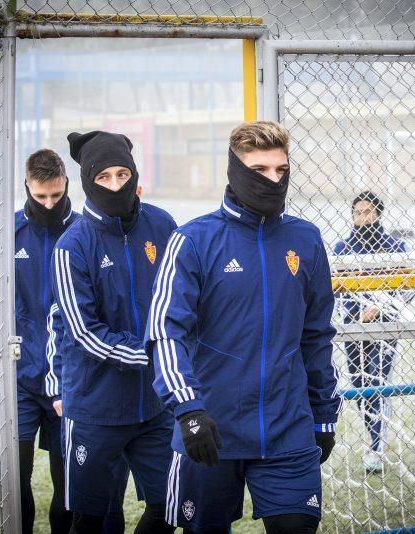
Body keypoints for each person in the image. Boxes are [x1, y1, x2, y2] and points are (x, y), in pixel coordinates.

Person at [146, 121, 340, 533]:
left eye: (280, 170)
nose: (273, 179)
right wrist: (189, 410)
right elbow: (166, 333)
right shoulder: (193, 240)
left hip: (288, 430)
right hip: (212, 432)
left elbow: (317, 335)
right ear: (235, 170)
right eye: (259, 170)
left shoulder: (305, 240)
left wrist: (323, 414)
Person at [0, 148, 128, 533]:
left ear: (67, 185)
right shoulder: (5, 236)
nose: (50, 203)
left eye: (56, 195)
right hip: (18, 377)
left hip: (71, 378)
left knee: (70, 485)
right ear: (27, 187)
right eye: (41, 197)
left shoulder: (85, 232)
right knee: (15, 480)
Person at [51, 130, 177, 534]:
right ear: (88, 181)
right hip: (96, 410)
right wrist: (154, 354)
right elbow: (86, 334)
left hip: (155, 406)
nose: (115, 185)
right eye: (104, 178)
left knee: (170, 507)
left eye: (123, 174)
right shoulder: (71, 246)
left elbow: (181, 299)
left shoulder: (162, 224)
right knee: (91, 520)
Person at [332, 191, 414, 473]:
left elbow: (408, 288)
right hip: (353, 328)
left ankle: (377, 447)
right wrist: (356, 315)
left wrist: (379, 308)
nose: (362, 218)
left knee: (379, 382)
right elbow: (334, 291)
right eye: (357, 213)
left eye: (368, 212)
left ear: (378, 214)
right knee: (360, 385)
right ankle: (372, 436)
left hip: (385, 326)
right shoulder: (342, 249)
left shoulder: (396, 247)